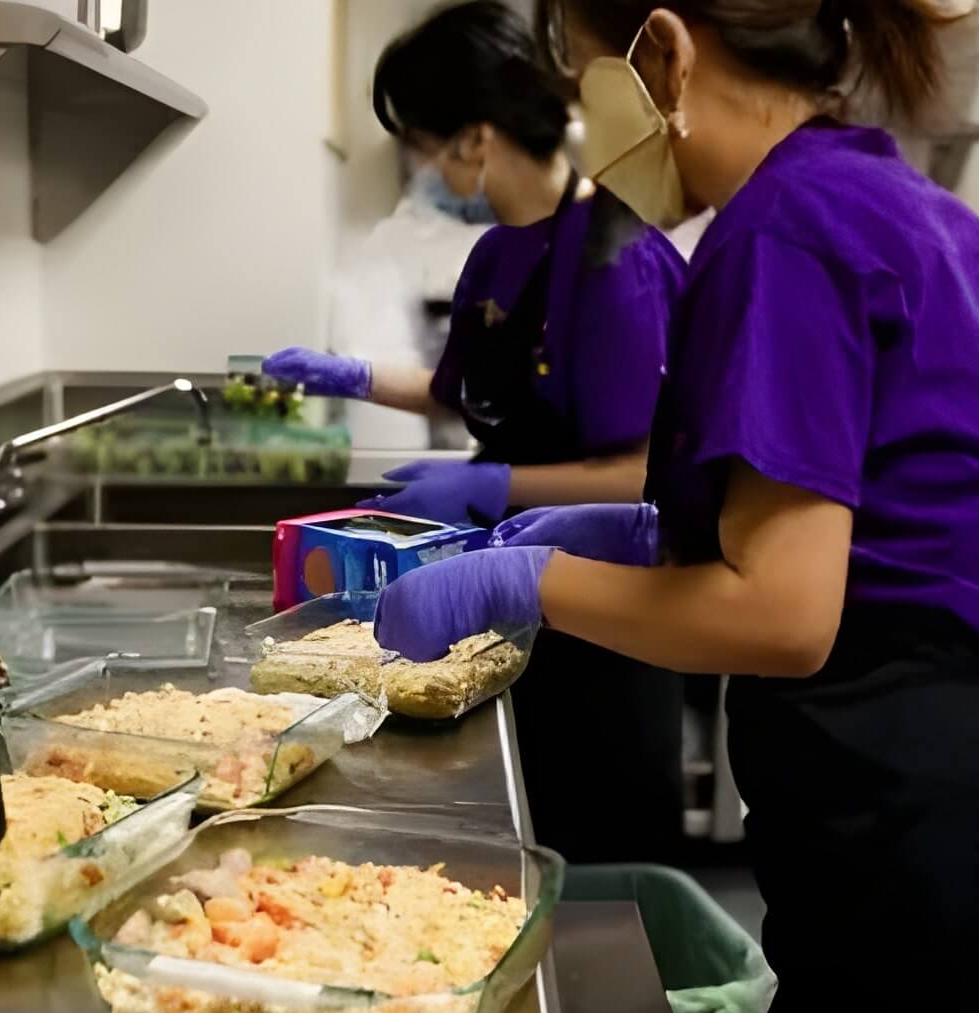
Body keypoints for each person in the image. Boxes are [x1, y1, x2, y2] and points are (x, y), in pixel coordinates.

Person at [372, 2, 979, 1013]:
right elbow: (884, 528)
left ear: (663, 53)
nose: (583, 123)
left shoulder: (785, 231)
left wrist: (520, 586)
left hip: (964, 879)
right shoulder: (879, 196)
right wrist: (639, 534)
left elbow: (781, 613)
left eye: (586, 76)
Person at [268, 0, 690, 864]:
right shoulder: (498, 253)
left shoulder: (615, 260)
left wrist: (493, 484)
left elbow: (639, 475)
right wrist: (350, 374)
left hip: (604, 612)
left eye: (420, 142)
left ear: (473, 139)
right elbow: (465, 394)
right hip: (502, 599)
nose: (418, 165)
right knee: (508, 830)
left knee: (596, 852)